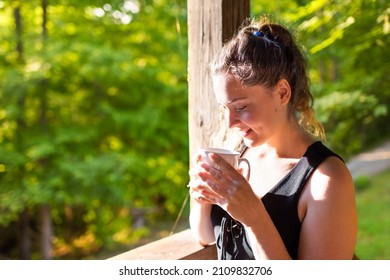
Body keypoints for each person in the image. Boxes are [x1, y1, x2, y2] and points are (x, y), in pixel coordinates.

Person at [188, 16, 358, 260]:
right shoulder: (238, 153)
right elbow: (206, 235)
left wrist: (254, 217)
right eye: (224, 108)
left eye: (241, 106)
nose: (230, 123)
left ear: (282, 92)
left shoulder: (326, 180)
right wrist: (203, 198)